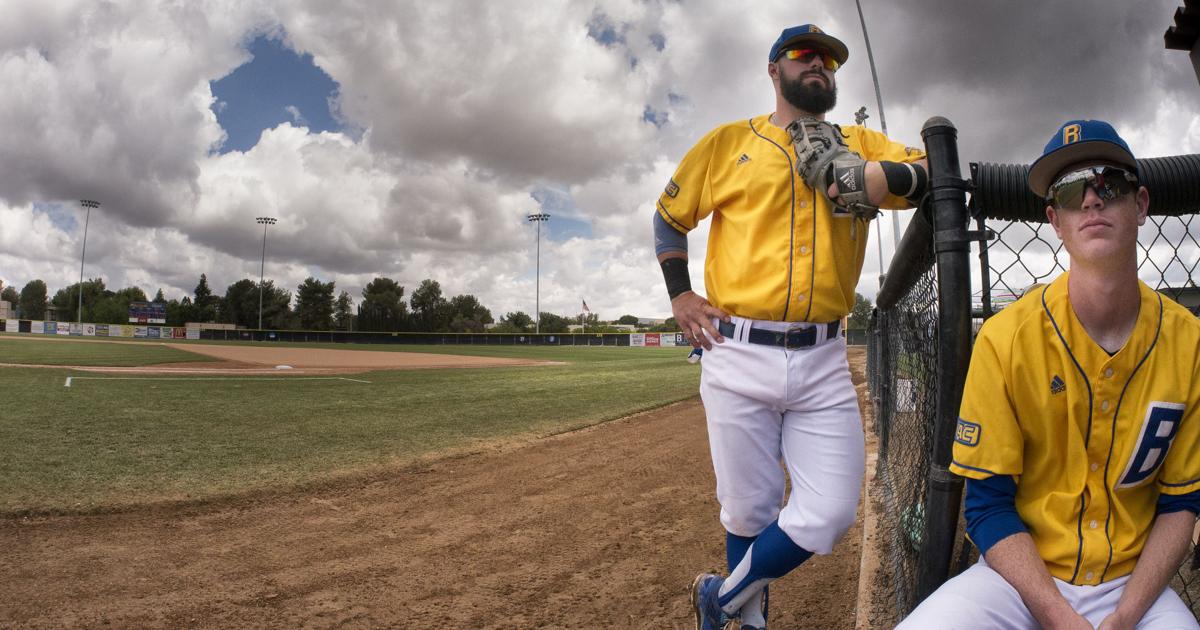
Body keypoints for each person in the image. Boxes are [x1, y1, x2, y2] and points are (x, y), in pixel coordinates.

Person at [654, 24, 929, 630]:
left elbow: (933, 171)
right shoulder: (728, 143)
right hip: (737, 348)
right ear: (774, 69)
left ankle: (718, 599)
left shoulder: (861, 140)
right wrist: (681, 297)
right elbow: (669, 216)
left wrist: (878, 178)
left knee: (829, 512)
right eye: (804, 56)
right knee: (748, 512)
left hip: (823, 357)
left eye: (829, 60)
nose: (820, 65)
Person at [897, 120, 1200, 629]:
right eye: (1070, 189)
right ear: (1054, 220)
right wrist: (1056, 613)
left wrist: (1126, 615)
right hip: (1017, 582)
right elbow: (988, 505)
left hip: (1135, 583)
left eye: (1109, 182)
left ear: (1141, 203)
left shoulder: (1189, 342)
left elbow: (1182, 501)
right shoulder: (1005, 338)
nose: (1091, 200)